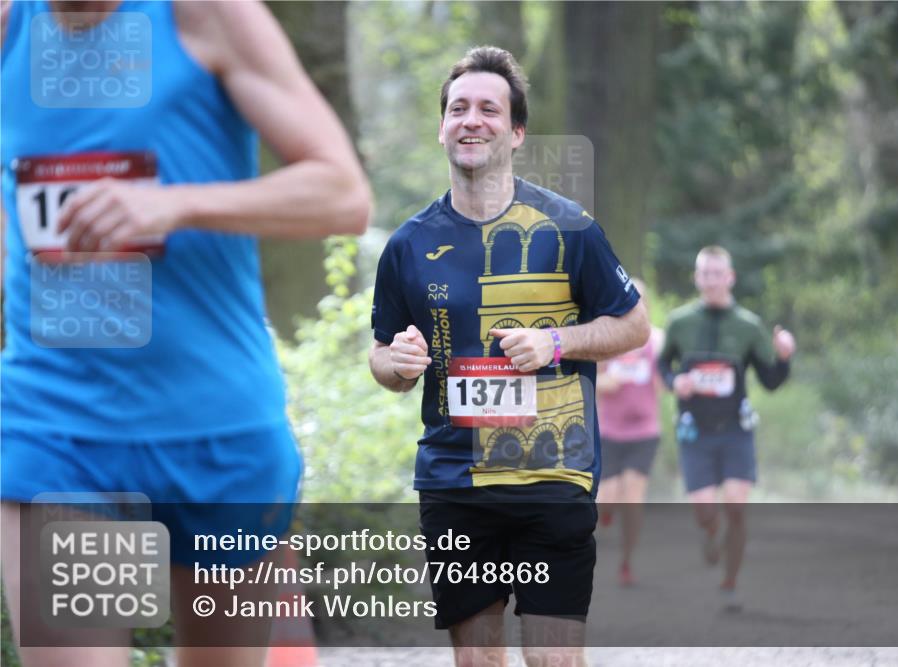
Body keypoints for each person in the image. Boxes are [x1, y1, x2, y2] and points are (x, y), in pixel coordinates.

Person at [0, 2, 371, 666]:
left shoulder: (204, 14)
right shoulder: (8, 29)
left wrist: (175, 202)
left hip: (218, 431)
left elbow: (342, 192)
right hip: (59, 429)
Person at [369, 46, 648, 666]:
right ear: (442, 127)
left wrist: (557, 341)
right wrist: (399, 362)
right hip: (454, 481)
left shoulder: (569, 227)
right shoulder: (408, 246)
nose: (472, 120)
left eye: (489, 109)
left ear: (516, 132)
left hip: (554, 474)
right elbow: (382, 358)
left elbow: (635, 324)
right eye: (459, 108)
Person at [657, 246, 795, 611]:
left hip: (735, 429)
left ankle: (730, 582)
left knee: (736, 505)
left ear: (730, 277)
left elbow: (771, 381)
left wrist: (783, 357)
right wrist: (675, 382)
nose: (712, 280)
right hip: (694, 431)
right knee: (706, 511)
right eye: (706, 273)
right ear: (697, 278)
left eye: (719, 273)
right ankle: (709, 532)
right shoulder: (679, 321)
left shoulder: (748, 325)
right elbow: (661, 365)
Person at [594, 279, 665, 587]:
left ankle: (627, 561)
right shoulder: (605, 339)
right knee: (607, 497)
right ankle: (606, 513)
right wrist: (605, 382)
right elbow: (588, 381)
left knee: (633, 496)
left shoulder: (657, 341)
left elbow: (665, 382)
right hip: (609, 429)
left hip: (644, 430)